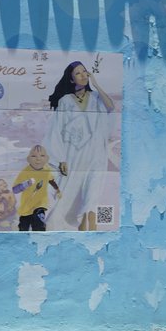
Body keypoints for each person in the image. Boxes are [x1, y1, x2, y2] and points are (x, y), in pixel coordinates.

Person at [44, 61, 114, 231]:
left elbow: (111, 107)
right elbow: (56, 131)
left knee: (93, 193)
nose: (83, 75)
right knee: (69, 195)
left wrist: (96, 84)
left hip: (97, 154)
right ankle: (73, 228)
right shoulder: (65, 101)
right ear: (71, 79)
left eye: (85, 72)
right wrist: (61, 159)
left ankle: (91, 231)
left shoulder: (96, 98)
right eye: (78, 73)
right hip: (74, 155)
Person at [12, 145, 58, 231]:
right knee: (23, 229)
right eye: (34, 156)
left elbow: (51, 180)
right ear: (28, 159)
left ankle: (39, 241)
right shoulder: (25, 172)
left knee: (39, 224)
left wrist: (57, 190)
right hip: (26, 208)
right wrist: (26, 184)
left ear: (47, 159)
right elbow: (15, 190)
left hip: (40, 205)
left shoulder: (47, 170)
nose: (38, 159)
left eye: (42, 156)